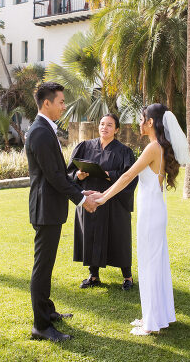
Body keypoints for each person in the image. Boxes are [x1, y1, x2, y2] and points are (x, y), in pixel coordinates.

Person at [91, 103, 190, 335]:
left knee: (149, 265)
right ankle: (155, 316)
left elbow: (127, 176)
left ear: (151, 123)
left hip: (151, 213)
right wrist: (103, 194)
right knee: (155, 264)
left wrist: (104, 197)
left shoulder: (153, 148)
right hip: (154, 210)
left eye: (142, 118)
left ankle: (151, 323)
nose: (139, 122)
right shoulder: (159, 147)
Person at [25, 82, 100, 342]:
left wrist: (76, 180)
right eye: (60, 102)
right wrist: (81, 200)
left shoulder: (46, 129)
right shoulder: (40, 133)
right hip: (46, 210)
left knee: (47, 265)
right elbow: (54, 177)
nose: (64, 106)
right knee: (42, 268)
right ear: (46, 103)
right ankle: (41, 326)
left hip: (50, 208)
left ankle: (47, 311)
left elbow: (59, 174)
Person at [68, 113, 137, 290]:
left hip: (113, 201)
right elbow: (68, 174)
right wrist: (78, 174)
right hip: (90, 199)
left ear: (117, 130)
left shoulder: (124, 152)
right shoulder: (84, 147)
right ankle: (93, 275)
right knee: (91, 234)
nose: (104, 128)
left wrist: (109, 175)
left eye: (109, 125)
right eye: (102, 124)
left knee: (119, 236)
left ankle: (127, 277)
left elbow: (130, 177)